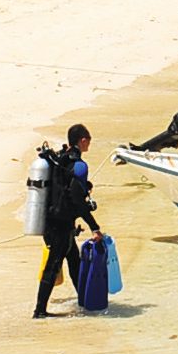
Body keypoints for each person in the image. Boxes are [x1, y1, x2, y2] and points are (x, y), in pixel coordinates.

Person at [33, 125, 103, 318]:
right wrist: (95, 227)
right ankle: (39, 311)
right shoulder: (79, 166)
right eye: (89, 139)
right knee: (53, 266)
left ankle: (86, 304)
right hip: (60, 224)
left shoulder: (62, 159)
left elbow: (65, 189)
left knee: (74, 262)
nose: (89, 143)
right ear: (82, 140)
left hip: (53, 220)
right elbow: (78, 201)